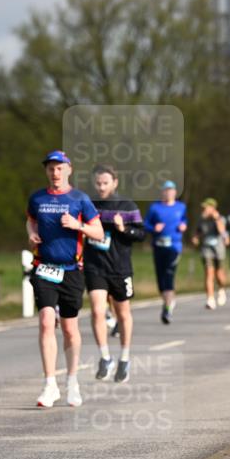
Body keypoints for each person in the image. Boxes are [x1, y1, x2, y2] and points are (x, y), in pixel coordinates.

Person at [26, 150, 104, 408]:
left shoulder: (80, 199)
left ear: (69, 170)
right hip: (44, 268)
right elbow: (30, 220)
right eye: (50, 168)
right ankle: (50, 385)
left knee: (70, 328)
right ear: (46, 171)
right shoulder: (37, 198)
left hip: (72, 270)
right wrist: (32, 233)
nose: (55, 173)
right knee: (47, 321)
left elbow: (99, 233)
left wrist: (77, 225)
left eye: (60, 168)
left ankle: (72, 381)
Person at [84, 164, 146, 384]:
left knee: (123, 314)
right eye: (98, 183)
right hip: (95, 266)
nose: (101, 187)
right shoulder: (88, 204)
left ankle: (125, 358)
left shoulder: (127, 206)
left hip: (119, 268)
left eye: (105, 183)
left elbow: (140, 234)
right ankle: (104, 357)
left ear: (115, 183)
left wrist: (123, 229)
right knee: (97, 310)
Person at [144, 181, 188, 324]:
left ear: (175, 192)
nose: (169, 193)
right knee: (161, 279)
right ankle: (167, 302)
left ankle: (167, 309)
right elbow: (145, 224)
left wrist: (184, 226)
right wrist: (153, 228)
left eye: (171, 190)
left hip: (174, 246)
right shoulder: (155, 207)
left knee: (169, 275)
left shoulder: (181, 207)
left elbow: (184, 220)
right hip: (159, 245)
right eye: (166, 190)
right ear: (162, 192)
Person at [192, 198, 228, 310]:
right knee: (209, 272)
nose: (204, 209)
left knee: (219, 274)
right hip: (206, 249)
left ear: (213, 208)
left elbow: (222, 232)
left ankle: (221, 289)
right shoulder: (201, 220)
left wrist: (216, 218)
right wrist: (195, 238)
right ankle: (210, 299)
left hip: (219, 249)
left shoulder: (220, 218)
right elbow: (197, 232)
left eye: (206, 207)